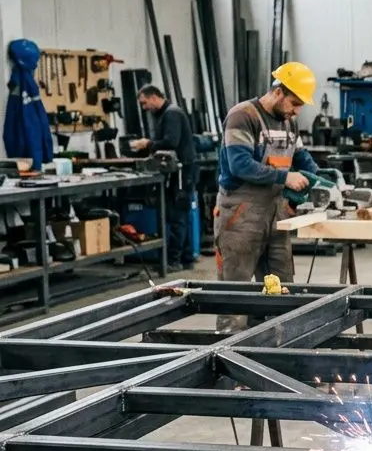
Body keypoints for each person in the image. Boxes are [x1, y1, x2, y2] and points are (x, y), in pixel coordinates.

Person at [213, 62, 319, 332]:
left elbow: (302, 158)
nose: (296, 111)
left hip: (277, 215)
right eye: (294, 103)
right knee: (235, 294)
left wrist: (324, 181)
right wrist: (285, 178)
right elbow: (240, 165)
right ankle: (227, 365)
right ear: (279, 92)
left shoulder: (289, 122)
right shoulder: (243, 116)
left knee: (282, 291)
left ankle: (275, 357)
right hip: (241, 216)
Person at [131, 85, 198, 271]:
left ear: (153, 97)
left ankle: (174, 261)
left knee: (177, 217)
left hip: (182, 173)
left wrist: (148, 144)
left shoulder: (171, 114)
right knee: (179, 216)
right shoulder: (165, 114)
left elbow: (171, 142)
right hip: (179, 172)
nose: (144, 107)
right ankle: (185, 258)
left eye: (145, 103)